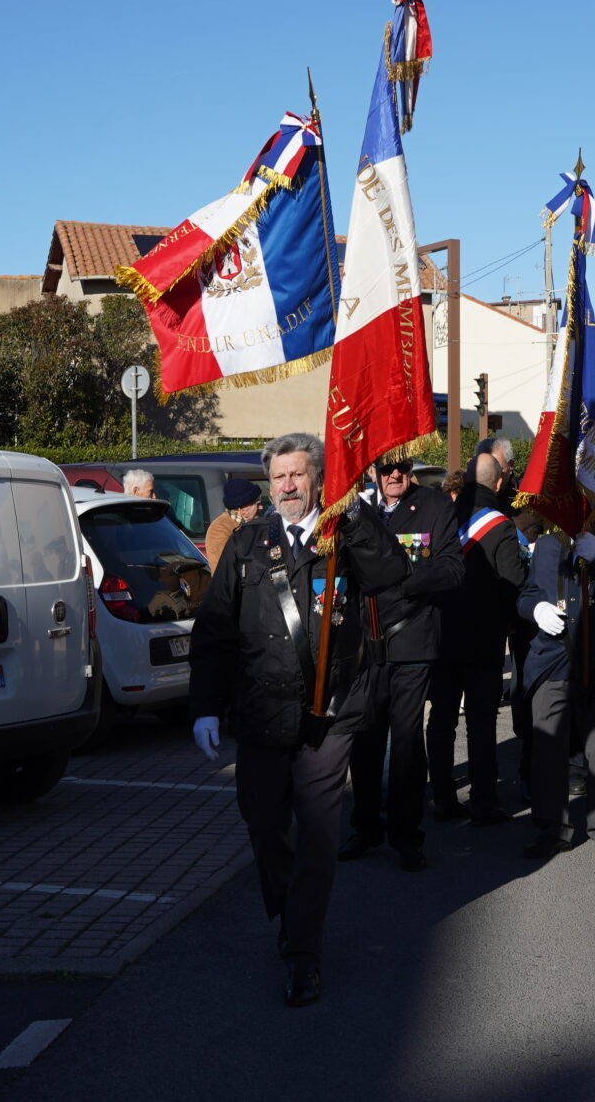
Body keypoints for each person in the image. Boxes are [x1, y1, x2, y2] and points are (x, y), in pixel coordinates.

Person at [187, 432, 409, 1008]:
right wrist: (206, 707)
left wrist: (355, 513)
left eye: (297, 475)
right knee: (264, 824)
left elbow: (392, 575)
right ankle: (291, 912)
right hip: (262, 711)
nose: (287, 486)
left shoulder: (347, 536)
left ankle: (303, 951)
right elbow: (215, 632)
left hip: (330, 715)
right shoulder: (246, 544)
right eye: (278, 476)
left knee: (318, 831)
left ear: (318, 480)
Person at [340, 450, 465, 871]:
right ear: (373, 470)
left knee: (407, 741)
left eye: (403, 468)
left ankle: (407, 835)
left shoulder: (433, 505)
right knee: (365, 736)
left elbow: (452, 569)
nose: (395, 474)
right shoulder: (354, 508)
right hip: (364, 644)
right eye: (387, 467)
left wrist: (402, 578)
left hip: (412, 638)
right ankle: (365, 825)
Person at [516, 518, 595, 860]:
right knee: (548, 740)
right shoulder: (549, 544)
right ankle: (551, 827)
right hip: (554, 655)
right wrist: (536, 609)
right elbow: (527, 595)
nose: (584, 521)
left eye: (591, 515)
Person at [429, 454, 526, 826]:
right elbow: (512, 583)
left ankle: (442, 796)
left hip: (442, 634)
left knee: (441, 720)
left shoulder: (444, 515)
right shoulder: (500, 525)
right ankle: (484, 802)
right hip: (484, 640)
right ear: (499, 483)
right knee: (481, 723)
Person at [202, 478, 263, 566]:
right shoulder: (219, 530)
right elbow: (227, 569)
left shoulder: (251, 523)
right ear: (242, 508)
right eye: (257, 503)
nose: (261, 507)